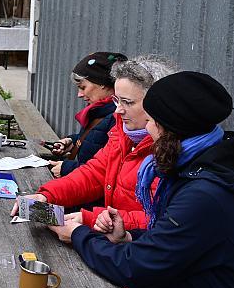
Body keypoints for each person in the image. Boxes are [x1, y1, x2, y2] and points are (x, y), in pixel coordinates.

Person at [52, 71, 234, 288]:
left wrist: (78, 234)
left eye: (152, 121)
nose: (148, 128)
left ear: (171, 129)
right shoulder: (201, 163)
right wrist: (128, 237)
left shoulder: (206, 193)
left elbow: (136, 269)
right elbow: (177, 240)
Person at [12, 55, 177, 230]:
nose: (119, 110)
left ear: (158, 105)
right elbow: (95, 173)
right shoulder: (124, 132)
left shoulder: (169, 150)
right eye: (117, 100)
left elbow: (161, 221)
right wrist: (46, 196)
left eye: (127, 102)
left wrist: (91, 219)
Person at [47, 52, 127, 178]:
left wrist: (69, 168)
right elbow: (96, 139)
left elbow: (110, 170)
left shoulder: (119, 117)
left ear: (102, 83)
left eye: (83, 87)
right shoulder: (100, 110)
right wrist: (73, 141)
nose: (79, 94)